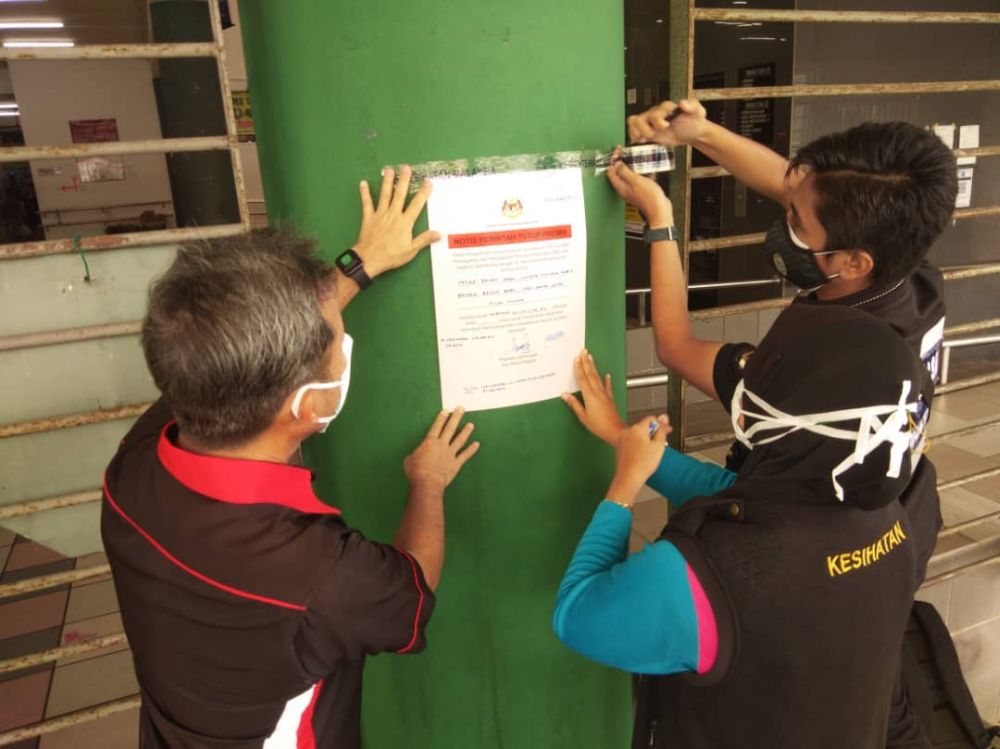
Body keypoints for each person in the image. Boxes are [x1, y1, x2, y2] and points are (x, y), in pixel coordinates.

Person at [102, 167, 480, 748]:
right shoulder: (323, 575)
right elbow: (412, 594)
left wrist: (355, 266)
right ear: (305, 407)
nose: (341, 339)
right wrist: (427, 483)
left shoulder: (135, 466)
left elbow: (239, 345)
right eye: (337, 338)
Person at [554, 302, 934, 749]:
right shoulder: (886, 515)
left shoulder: (706, 578)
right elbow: (733, 488)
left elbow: (577, 615)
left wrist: (624, 485)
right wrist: (624, 437)